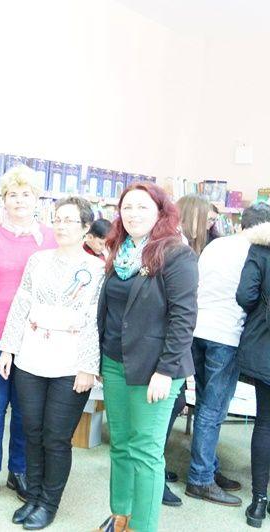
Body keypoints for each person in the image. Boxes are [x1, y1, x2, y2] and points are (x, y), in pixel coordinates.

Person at [96, 182, 197, 532]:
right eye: (127, 207)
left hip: (155, 369)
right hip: (114, 362)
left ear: (160, 212)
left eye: (142, 207)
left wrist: (166, 371)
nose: (133, 214)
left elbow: (183, 318)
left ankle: (143, 526)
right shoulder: (119, 251)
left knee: (145, 451)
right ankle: (120, 516)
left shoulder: (176, 254)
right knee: (120, 445)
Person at [0, 197, 104, 529]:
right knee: (31, 431)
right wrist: (8, 349)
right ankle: (32, 496)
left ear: (86, 227)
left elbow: (95, 321)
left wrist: (88, 366)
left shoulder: (98, 269)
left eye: (70, 220)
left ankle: (48, 503)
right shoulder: (38, 260)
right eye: (57, 219)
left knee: (56, 437)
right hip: (31, 357)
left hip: (71, 364)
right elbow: (21, 304)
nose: (61, 226)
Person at [0, 165, 57, 503]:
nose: (19, 200)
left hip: (33, 337)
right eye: (13, 195)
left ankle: (19, 470)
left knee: (25, 409)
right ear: (3, 200)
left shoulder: (50, 238)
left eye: (26, 194)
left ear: (37, 199)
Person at [183, 205, 270, 511]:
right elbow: (249, 296)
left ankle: (208, 466)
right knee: (213, 409)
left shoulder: (216, 245)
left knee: (204, 403)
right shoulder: (255, 252)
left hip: (197, 329)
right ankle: (200, 478)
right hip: (227, 335)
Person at [162, 193, 221, 506]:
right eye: (207, 218)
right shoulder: (177, 247)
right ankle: (155, 475)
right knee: (171, 405)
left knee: (176, 402)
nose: (212, 224)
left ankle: (157, 468)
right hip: (173, 338)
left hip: (188, 334)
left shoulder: (200, 247)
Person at [236, 216, 270, 528]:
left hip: (265, 345)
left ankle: (259, 501)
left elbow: (245, 296)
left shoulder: (261, 247)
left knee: (265, 423)